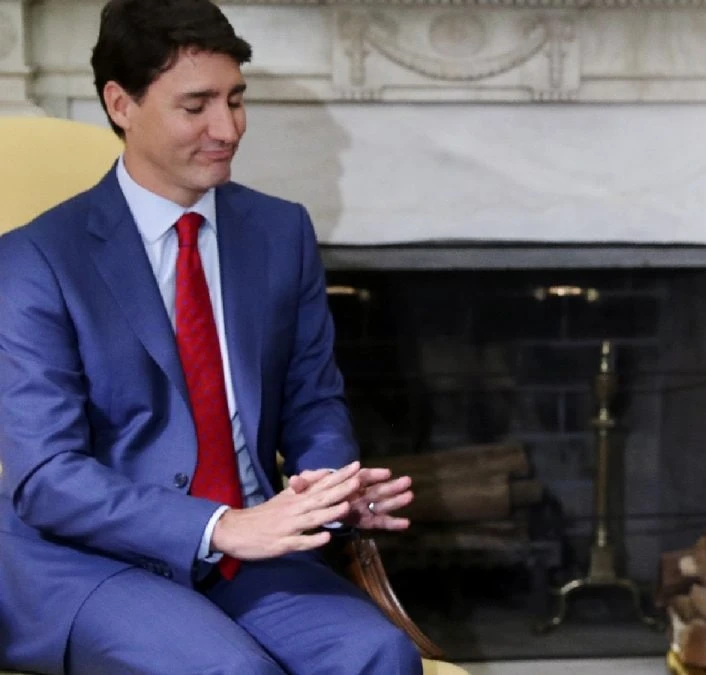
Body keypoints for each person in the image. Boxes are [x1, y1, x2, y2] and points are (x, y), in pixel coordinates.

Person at [0, 1, 423, 672]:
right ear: (121, 104)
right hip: (89, 561)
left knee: (378, 651)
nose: (227, 128)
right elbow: (48, 478)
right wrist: (221, 525)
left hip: (243, 551)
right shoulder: (35, 259)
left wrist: (325, 489)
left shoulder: (280, 232)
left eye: (235, 99)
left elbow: (312, 400)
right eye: (196, 106)